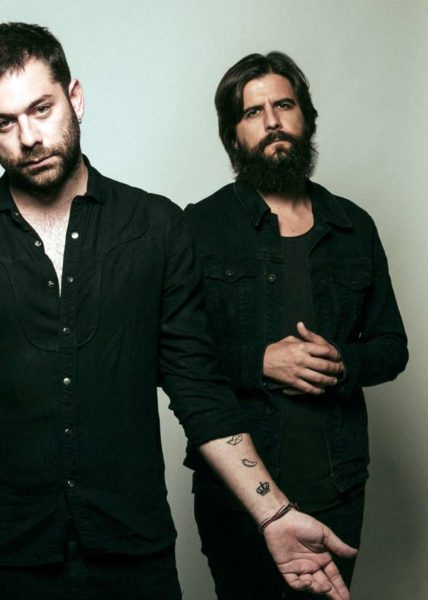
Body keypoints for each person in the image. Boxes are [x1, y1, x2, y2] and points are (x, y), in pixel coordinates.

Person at [0, 24, 357, 600]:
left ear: (75, 98)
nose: (29, 138)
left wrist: (273, 512)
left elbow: (200, 391)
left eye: (42, 109)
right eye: (4, 123)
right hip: (2, 560)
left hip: (133, 552)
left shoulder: (156, 226)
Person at [184, 52, 408, 599]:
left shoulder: (353, 226)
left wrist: (343, 363)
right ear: (233, 136)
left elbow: (392, 347)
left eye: (283, 105)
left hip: (338, 485)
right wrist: (259, 361)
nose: (272, 122)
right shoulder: (199, 227)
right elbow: (177, 356)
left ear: (305, 118)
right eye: (252, 112)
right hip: (239, 495)